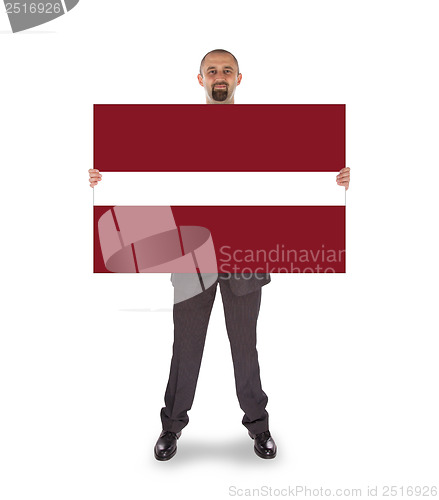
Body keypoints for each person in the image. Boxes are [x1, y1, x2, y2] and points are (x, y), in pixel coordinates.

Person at [89, 49, 351, 461]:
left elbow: (291, 174)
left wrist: (329, 177)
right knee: (186, 347)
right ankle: (171, 427)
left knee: (245, 347)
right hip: (191, 259)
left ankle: (258, 426)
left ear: (239, 78)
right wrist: (108, 178)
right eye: (212, 70)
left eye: (226, 70)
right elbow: (147, 176)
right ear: (200, 80)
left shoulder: (266, 132)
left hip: (245, 259)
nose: (219, 76)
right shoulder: (174, 132)